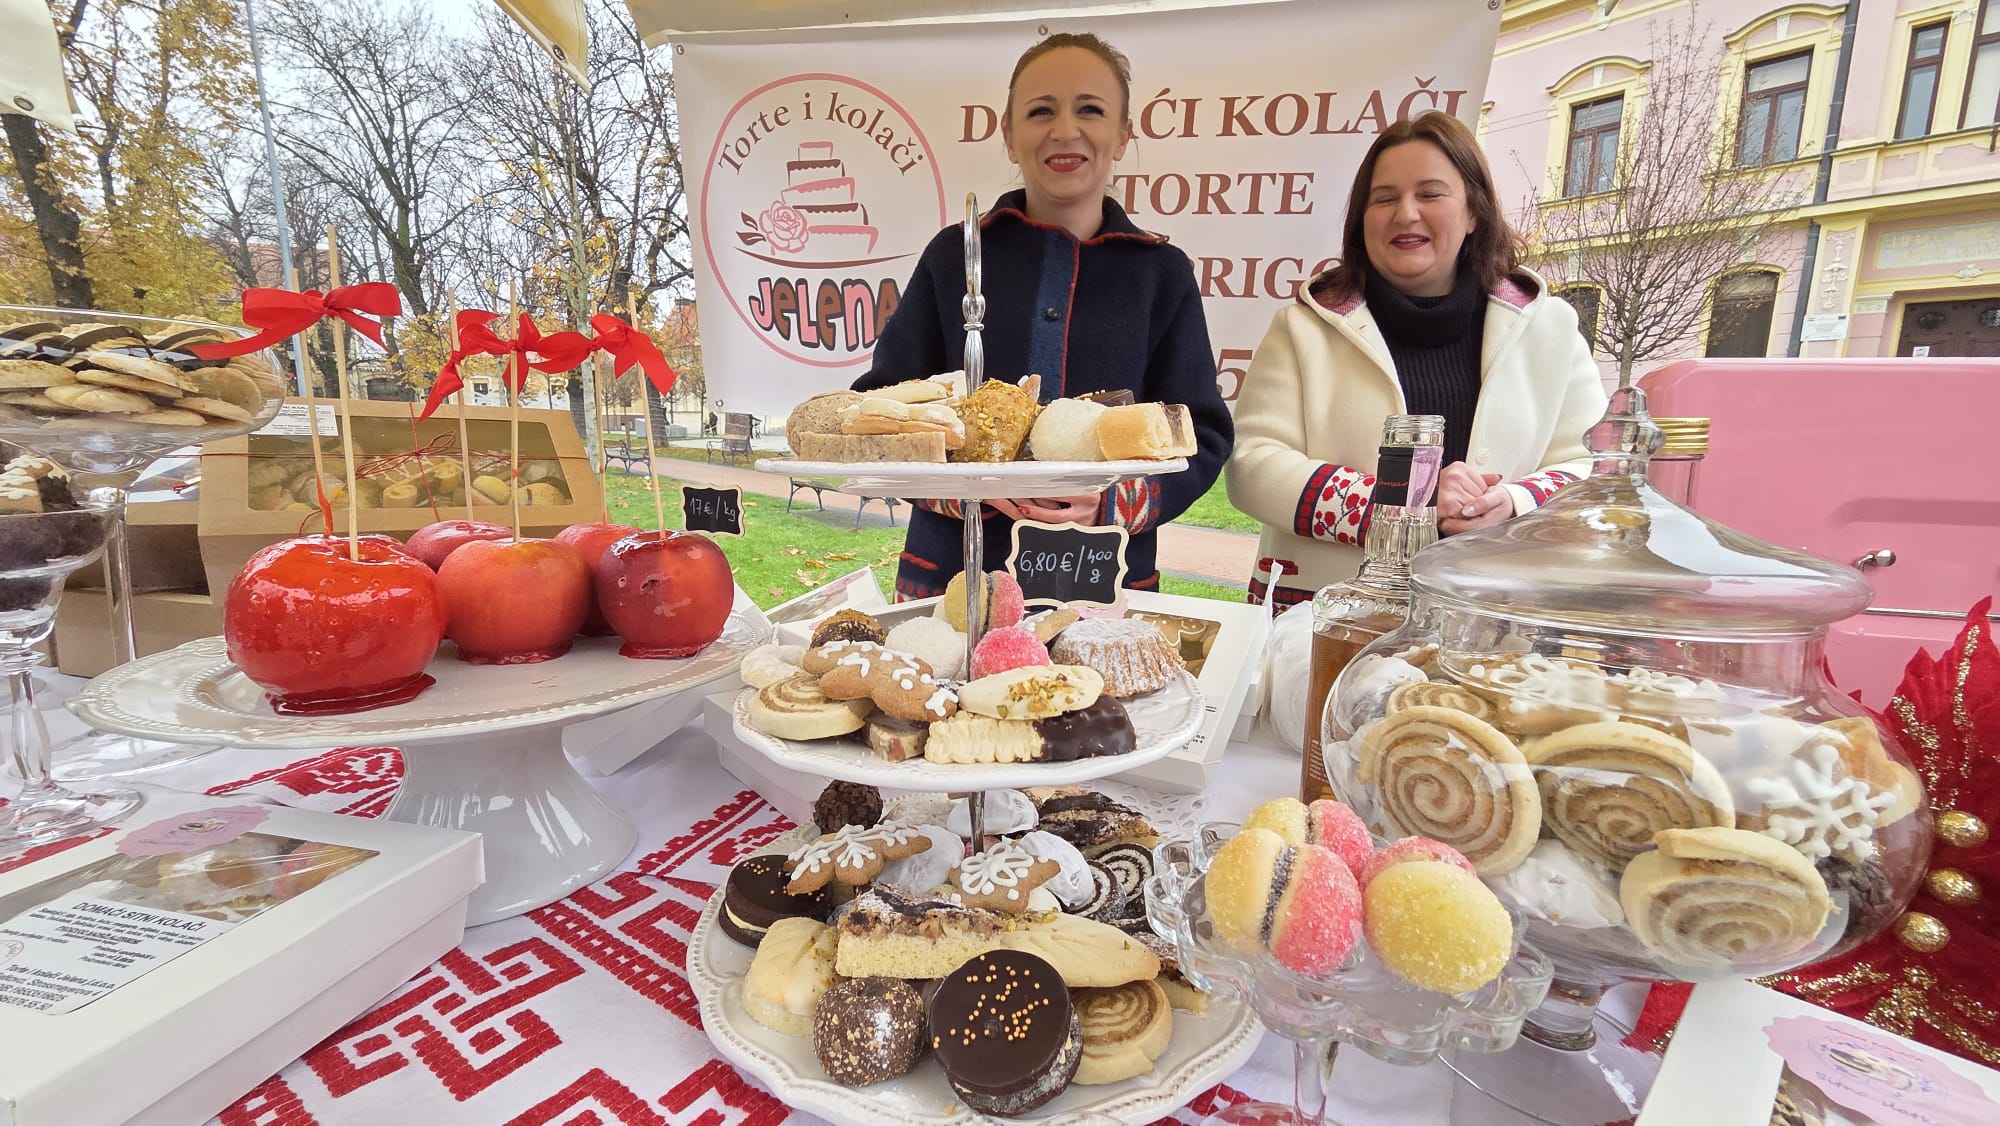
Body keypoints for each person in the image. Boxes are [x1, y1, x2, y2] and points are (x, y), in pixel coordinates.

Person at [853, 32, 1232, 601]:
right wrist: (972, 485)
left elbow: (1200, 433)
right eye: (1041, 111)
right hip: (954, 578)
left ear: (1123, 134)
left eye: (1090, 110)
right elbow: (882, 415)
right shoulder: (954, 257)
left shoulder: (1162, 273)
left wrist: (1108, 502)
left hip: (1103, 579)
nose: (1064, 130)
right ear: (1009, 135)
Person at [1226, 111, 1608, 610]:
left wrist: (1513, 503)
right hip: (1326, 621)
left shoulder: (1548, 327)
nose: (1405, 214)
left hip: (1496, 622)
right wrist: (1409, 502)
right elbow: (1252, 467)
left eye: (1430, 194)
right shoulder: (1303, 328)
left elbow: (1598, 466)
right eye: (1384, 198)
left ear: (1474, 213)